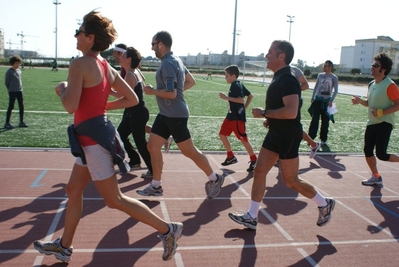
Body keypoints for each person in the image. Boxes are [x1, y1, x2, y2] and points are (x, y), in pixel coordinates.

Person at [33, 11, 183, 263]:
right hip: (91, 137)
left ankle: (168, 229)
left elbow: (70, 106)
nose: (75, 36)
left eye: (78, 32)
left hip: (94, 141)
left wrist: (63, 89)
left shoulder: (80, 64)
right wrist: (100, 108)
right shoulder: (106, 66)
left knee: (114, 199)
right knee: (73, 189)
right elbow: (132, 99)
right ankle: (64, 246)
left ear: (90, 37)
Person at [228, 40, 335, 230]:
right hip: (275, 133)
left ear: (281, 56)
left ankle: (324, 203)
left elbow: (291, 112)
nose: (266, 55)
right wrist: (271, 119)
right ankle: (252, 216)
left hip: (287, 136)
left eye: (270, 52)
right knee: (259, 171)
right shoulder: (279, 77)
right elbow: (282, 108)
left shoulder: (287, 79)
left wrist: (265, 113)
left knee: (290, 180)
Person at [136, 31, 224, 198]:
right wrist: (176, 94)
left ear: (160, 44)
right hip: (165, 114)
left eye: (153, 44)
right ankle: (156, 185)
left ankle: (215, 178)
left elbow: (171, 94)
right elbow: (190, 81)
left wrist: (152, 91)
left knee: (189, 151)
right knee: (152, 146)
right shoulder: (176, 60)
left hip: (175, 115)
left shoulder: (168, 64)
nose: (152, 48)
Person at [351, 52, 399, 186]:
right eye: (372, 64)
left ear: (383, 69)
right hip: (372, 122)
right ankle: (376, 176)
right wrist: (360, 101)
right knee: (367, 151)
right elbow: (369, 103)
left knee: (382, 154)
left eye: (375, 65)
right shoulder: (371, 84)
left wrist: (382, 112)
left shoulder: (390, 85)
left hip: (385, 123)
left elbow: (398, 104)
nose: (372, 67)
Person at [118, 47, 153, 179]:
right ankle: (135, 161)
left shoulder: (130, 75)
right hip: (135, 112)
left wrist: (107, 96)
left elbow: (124, 97)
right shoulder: (134, 72)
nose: (120, 58)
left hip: (137, 113)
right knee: (120, 135)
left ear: (129, 59)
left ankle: (153, 169)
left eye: (123, 56)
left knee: (140, 142)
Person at [218, 64, 257, 172]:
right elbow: (250, 95)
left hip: (237, 118)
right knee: (222, 134)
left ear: (233, 76)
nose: (225, 78)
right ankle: (230, 157)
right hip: (230, 116)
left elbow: (241, 100)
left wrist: (226, 98)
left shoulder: (236, 86)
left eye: (227, 76)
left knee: (243, 139)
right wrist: (244, 108)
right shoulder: (238, 84)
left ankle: (254, 160)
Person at [111, 43, 141, 170]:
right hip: (134, 108)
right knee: (126, 134)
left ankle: (148, 164)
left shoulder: (127, 71)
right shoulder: (130, 70)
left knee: (137, 140)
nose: (115, 55)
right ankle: (136, 161)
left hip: (133, 108)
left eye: (118, 53)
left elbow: (126, 95)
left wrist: (110, 92)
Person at [291, 65, 321, 158]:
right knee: (286, 126)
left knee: (293, 126)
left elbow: (305, 85)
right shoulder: (277, 71)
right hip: (282, 102)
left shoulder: (294, 70)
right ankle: (313, 144)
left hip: (294, 101)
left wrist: (291, 90)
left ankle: (313, 144)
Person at [308, 60, 338, 146]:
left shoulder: (334, 77)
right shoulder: (320, 76)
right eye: (324, 66)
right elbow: (316, 86)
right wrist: (313, 96)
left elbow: (336, 91)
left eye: (326, 66)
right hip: (318, 100)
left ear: (330, 67)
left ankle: (323, 139)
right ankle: (311, 138)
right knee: (314, 120)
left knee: (325, 121)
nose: (324, 67)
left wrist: (331, 100)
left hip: (327, 102)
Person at [4, 55, 28, 129]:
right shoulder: (9, 72)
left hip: (19, 91)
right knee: (11, 106)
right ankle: (7, 123)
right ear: (12, 63)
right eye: (17, 63)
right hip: (12, 91)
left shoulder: (19, 71)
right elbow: (6, 83)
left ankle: (21, 121)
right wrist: (10, 89)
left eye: (19, 63)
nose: (18, 65)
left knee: (21, 106)